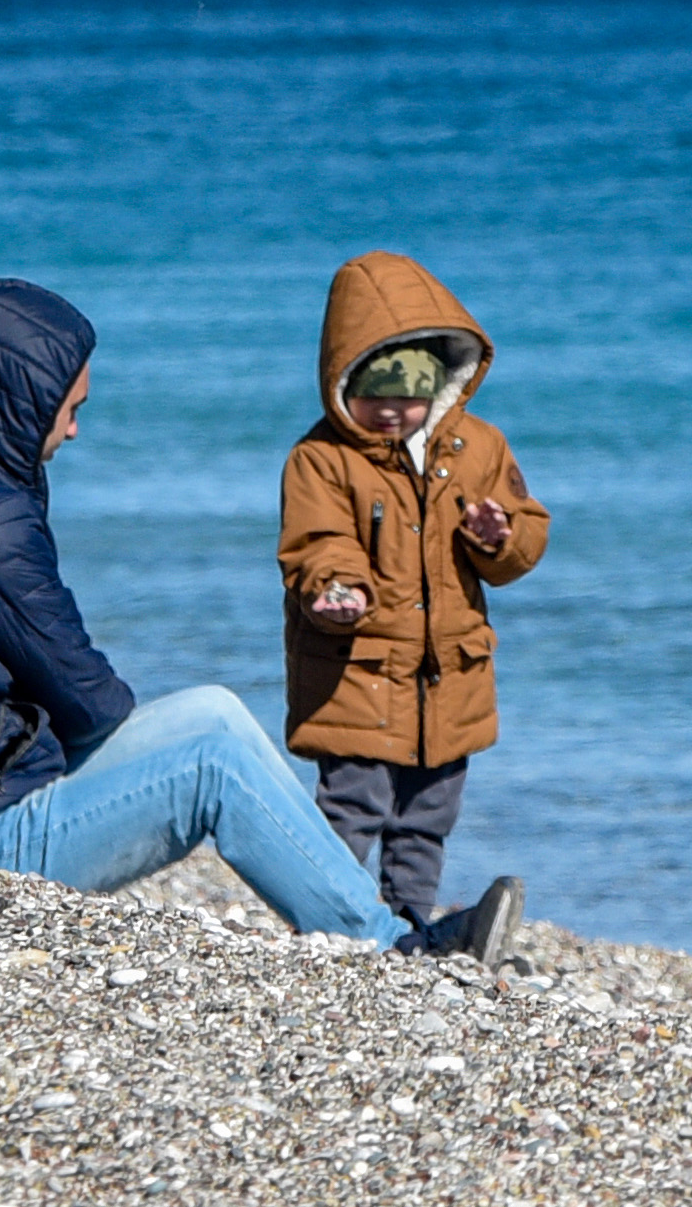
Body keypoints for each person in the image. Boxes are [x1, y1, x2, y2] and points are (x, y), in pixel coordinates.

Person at [0, 277, 524, 960]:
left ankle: (364, 913)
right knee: (212, 759)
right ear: (24, 402)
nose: (74, 430)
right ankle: (386, 940)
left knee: (212, 712)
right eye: (69, 407)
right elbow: (90, 705)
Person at [279, 249, 549, 926]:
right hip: (357, 674)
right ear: (342, 385)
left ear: (439, 386)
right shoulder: (320, 458)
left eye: (408, 398)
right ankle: (324, 919)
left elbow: (523, 540)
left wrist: (498, 535)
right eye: (373, 398)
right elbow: (318, 541)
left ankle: (407, 921)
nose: (392, 414)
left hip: (448, 678)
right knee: (352, 804)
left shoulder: (478, 449)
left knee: (427, 815)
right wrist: (338, 588)